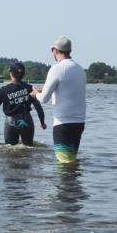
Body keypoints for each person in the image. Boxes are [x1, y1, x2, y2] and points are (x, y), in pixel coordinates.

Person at [31, 35, 86, 164]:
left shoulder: (56, 69)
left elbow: (44, 98)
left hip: (63, 123)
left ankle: (63, 184)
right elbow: (67, 89)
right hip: (79, 123)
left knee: (64, 164)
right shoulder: (80, 69)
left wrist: (35, 94)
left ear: (55, 51)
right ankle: (74, 183)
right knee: (71, 161)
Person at [0, 62, 46, 146]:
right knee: (28, 149)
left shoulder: (4, 90)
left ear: (11, 73)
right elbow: (38, 107)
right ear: (23, 74)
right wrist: (42, 122)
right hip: (27, 121)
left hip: (11, 122)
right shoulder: (29, 88)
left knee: (9, 150)